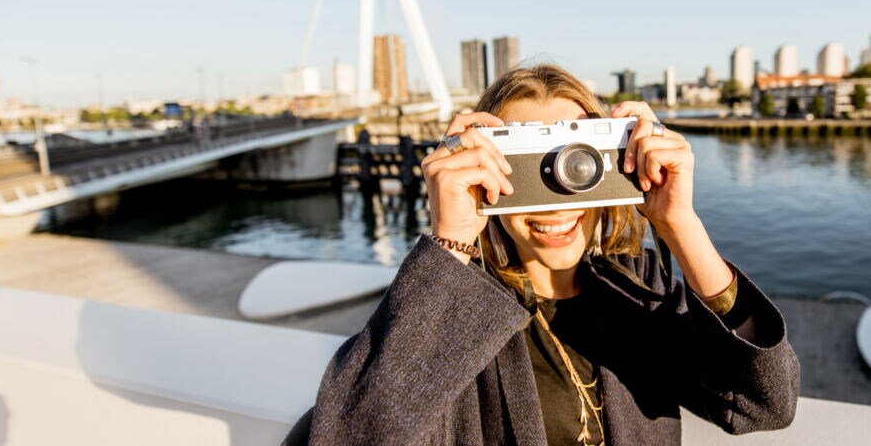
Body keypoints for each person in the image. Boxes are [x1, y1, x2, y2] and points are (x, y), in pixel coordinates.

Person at [292, 64, 798, 445]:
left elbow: (765, 404)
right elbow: (350, 434)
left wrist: (680, 225)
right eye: (531, 165)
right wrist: (450, 241)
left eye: (580, 163)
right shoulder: (451, 316)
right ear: (484, 170)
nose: (558, 197)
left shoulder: (638, 287)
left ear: (615, 159)